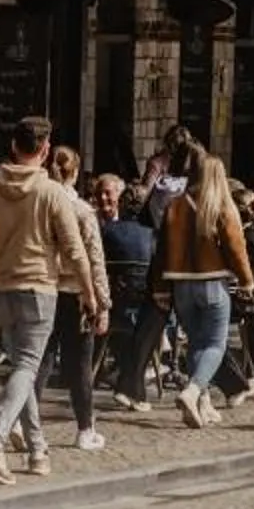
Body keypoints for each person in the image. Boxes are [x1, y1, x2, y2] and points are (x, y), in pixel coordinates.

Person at [0, 115, 102, 486]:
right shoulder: (52, 193)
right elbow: (75, 249)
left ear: (14, 146)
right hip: (41, 288)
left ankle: (37, 449)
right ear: (44, 151)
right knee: (27, 367)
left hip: (4, 290)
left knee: (21, 371)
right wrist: (90, 293)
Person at [151, 136, 254, 428]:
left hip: (180, 284)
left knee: (196, 342)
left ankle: (203, 403)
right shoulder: (220, 206)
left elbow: (162, 249)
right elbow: (236, 247)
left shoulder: (174, 206)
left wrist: (160, 287)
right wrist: (247, 281)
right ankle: (193, 390)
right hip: (213, 283)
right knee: (216, 344)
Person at [42, 145, 112, 450]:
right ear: (76, 173)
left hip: (44, 288)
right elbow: (95, 259)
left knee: (40, 360)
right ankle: (85, 428)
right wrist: (102, 301)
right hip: (76, 292)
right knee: (80, 364)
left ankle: (21, 421)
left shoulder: (40, 205)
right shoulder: (83, 211)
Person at [93, 173, 160, 408]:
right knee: (155, 322)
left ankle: (127, 383)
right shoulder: (152, 235)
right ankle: (131, 385)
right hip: (142, 307)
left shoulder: (108, 231)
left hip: (114, 305)